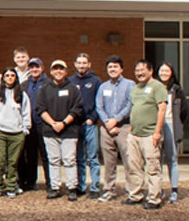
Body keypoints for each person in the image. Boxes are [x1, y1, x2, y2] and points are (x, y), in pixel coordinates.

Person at [122, 60, 168, 209]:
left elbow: (162, 110)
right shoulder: (135, 89)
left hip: (150, 134)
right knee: (134, 166)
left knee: (152, 167)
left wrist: (157, 133)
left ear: (150, 71)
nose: (139, 73)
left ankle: (154, 198)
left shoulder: (158, 87)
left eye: (142, 70)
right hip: (134, 134)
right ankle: (135, 195)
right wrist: (131, 128)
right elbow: (134, 109)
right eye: (137, 71)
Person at [37, 59, 84, 201]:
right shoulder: (44, 88)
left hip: (69, 131)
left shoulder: (73, 88)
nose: (58, 71)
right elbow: (40, 108)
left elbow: (77, 109)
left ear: (66, 71)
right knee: (53, 160)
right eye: (55, 69)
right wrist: (53, 123)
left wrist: (63, 123)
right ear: (51, 72)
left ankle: (71, 188)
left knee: (69, 160)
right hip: (50, 131)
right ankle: (55, 187)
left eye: (61, 69)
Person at [95, 55, 134, 203]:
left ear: (121, 68)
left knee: (128, 160)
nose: (112, 69)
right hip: (106, 129)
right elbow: (99, 107)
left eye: (115, 66)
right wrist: (107, 123)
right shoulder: (103, 87)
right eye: (110, 67)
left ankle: (132, 190)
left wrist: (116, 120)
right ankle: (108, 190)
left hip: (124, 127)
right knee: (109, 161)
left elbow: (130, 105)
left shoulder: (130, 85)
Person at [0, 68, 31, 198]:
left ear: (16, 78)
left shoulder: (21, 93)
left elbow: (26, 112)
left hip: (16, 133)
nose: (10, 78)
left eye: (12, 75)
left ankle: (11, 186)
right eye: (7, 75)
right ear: (3, 77)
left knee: (13, 162)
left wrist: (25, 129)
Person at [69, 53, 102, 199]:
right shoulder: (70, 81)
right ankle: (81, 186)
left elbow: (99, 103)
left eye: (84, 63)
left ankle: (94, 187)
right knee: (79, 158)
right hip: (75, 125)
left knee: (93, 157)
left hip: (90, 125)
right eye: (79, 63)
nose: (82, 65)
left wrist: (92, 118)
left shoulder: (95, 81)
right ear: (75, 64)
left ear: (89, 65)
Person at [156, 62, 187, 204]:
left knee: (172, 158)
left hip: (171, 126)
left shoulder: (177, 90)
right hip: (156, 126)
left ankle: (174, 190)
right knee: (157, 159)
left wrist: (178, 123)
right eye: (162, 71)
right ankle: (158, 189)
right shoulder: (154, 88)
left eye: (167, 71)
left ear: (171, 73)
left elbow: (184, 111)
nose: (164, 73)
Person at [18, 57, 50, 192]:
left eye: (36, 67)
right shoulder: (24, 85)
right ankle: (30, 182)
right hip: (29, 125)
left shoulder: (49, 83)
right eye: (31, 67)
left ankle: (50, 183)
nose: (34, 69)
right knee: (30, 155)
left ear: (42, 68)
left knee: (46, 155)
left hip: (44, 124)